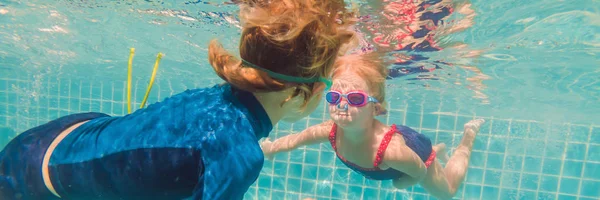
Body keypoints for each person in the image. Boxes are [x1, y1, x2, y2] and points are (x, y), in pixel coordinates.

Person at [0, 0, 357, 199]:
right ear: (301, 91)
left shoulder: (217, 99)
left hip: (63, 135)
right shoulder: (240, 155)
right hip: (27, 175)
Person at [260, 53, 486, 200]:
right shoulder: (331, 130)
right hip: (402, 159)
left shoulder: (391, 152)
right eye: (334, 97)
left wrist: (400, 184)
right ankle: (438, 150)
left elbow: (419, 171)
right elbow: (299, 139)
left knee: (446, 194)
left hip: (416, 155)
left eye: (356, 99)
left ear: (376, 109)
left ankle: (467, 137)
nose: (342, 104)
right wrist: (272, 148)